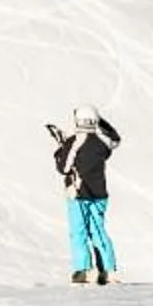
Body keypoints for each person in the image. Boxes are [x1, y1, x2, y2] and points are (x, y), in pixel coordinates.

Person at [53, 107, 122, 285]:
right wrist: (101, 122)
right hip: (100, 194)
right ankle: (108, 270)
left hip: (78, 194)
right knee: (98, 231)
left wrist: (60, 150)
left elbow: (64, 168)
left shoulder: (74, 142)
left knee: (79, 232)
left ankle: (83, 270)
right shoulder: (102, 141)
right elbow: (115, 140)